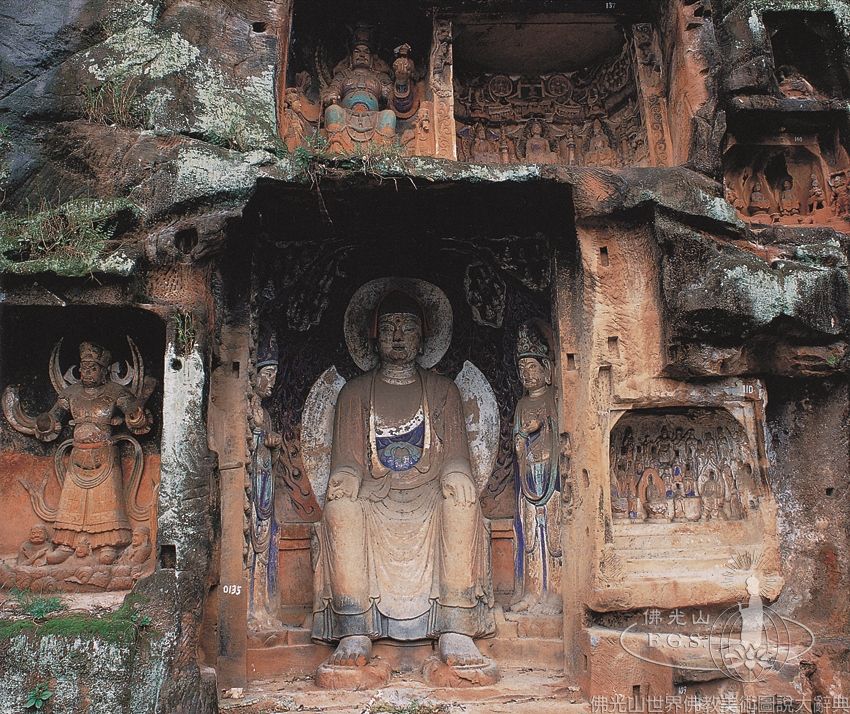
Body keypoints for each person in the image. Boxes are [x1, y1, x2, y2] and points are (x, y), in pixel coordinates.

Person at [312, 290, 495, 672]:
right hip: (374, 494)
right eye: (390, 327)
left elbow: (457, 454)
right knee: (340, 508)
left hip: (429, 491)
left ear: (424, 337)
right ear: (374, 336)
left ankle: (456, 626)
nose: (398, 336)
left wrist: (458, 472)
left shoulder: (443, 390)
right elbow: (346, 460)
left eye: (408, 327)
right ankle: (354, 627)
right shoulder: (355, 392)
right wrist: (344, 478)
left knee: (462, 502)